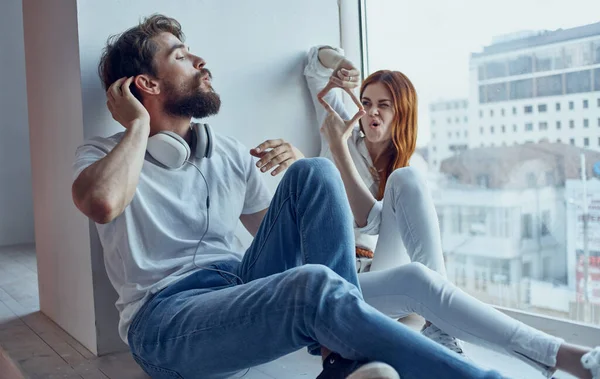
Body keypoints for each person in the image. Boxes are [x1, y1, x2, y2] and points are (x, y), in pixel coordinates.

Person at [70, 14, 512, 379]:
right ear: (145, 85)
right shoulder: (104, 153)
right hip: (167, 320)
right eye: (182, 57)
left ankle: (339, 361)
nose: (201, 61)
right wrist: (139, 127)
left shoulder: (222, 150)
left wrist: (303, 165)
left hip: (239, 285)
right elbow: (103, 203)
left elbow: (289, 243)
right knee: (311, 286)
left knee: (314, 171)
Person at [256, 44, 600, 379]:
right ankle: (444, 326)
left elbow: (372, 222)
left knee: (406, 179)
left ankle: (436, 323)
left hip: (378, 274)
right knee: (417, 276)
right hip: (338, 279)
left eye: (384, 105)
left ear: (400, 113)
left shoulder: (409, 168)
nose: (371, 112)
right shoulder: (340, 131)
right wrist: (343, 65)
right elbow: (315, 63)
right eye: (366, 103)